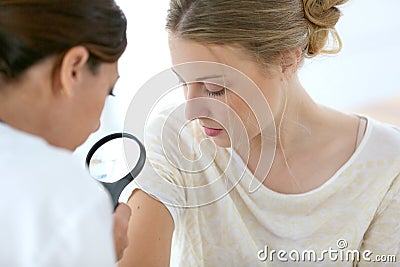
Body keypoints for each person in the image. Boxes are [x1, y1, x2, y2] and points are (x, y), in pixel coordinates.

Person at [119, 0, 400, 266]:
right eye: (184, 82)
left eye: (215, 88)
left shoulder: (387, 167)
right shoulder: (176, 137)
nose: (192, 111)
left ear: (287, 61)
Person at [0, 0, 131, 266]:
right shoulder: (63, 197)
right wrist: (99, 250)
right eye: (108, 90)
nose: (96, 125)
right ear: (73, 68)